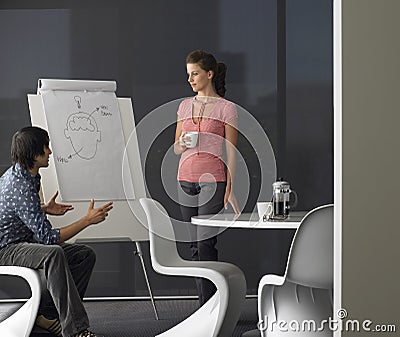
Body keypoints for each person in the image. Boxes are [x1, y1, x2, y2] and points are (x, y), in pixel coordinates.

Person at [0, 126, 113, 337]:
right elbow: (48, 238)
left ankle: (48, 315)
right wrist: (87, 220)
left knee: (84, 255)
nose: (50, 152)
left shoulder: (23, 174)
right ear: (35, 155)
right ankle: (76, 330)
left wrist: (42, 208)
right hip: (6, 249)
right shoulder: (21, 186)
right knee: (54, 252)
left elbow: (14, 209)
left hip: (18, 241)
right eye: (46, 147)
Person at [174, 50, 240, 305]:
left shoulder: (227, 108)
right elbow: (176, 148)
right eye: (188, 74)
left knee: (205, 243)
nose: (190, 79)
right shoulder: (184, 106)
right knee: (193, 245)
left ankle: (210, 305)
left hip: (213, 180)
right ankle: (207, 303)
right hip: (184, 179)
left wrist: (230, 187)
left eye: (195, 74)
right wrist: (182, 143)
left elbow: (232, 152)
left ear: (209, 74)